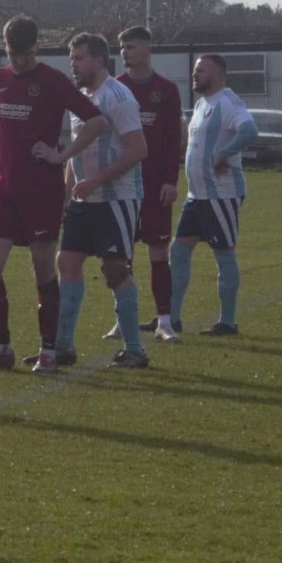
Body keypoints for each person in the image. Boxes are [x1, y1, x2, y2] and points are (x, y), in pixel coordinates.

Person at [0, 15, 106, 375]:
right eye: (13, 55)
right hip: (4, 191)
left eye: (26, 56)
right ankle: (1, 348)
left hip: (42, 192)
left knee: (43, 267)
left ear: (37, 48)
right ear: (5, 48)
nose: (19, 62)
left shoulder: (53, 81)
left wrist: (62, 155)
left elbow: (96, 121)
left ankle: (48, 350)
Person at [39, 33, 150, 369]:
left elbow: (138, 149)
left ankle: (135, 349)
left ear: (99, 60)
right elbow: (78, 153)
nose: (73, 65)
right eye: (71, 58)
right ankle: (63, 346)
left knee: (114, 270)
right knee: (67, 263)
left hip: (116, 198)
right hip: (84, 200)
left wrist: (97, 180)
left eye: (79, 58)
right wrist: (66, 195)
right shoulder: (81, 99)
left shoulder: (118, 96)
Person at [105, 26, 184, 342]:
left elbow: (173, 139)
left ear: (148, 49)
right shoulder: (115, 87)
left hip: (154, 186)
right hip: (122, 185)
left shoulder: (166, 90)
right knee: (120, 255)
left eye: (132, 47)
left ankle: (164, 321)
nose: (125, 52)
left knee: (158, 252)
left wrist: (170, 180)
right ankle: (123, 320)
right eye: (122, 47)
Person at [171, 54, 258, 335]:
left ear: (218, 74)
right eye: (195, 70)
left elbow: (249, 130)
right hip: (197, 195)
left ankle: (228, 322)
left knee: (223, 253)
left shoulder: (228, 102)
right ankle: (171, 318)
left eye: (201, 70)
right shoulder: (201, 104)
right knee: (178, 250)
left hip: (221, 194)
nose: (194, 75)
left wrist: (224, 154)